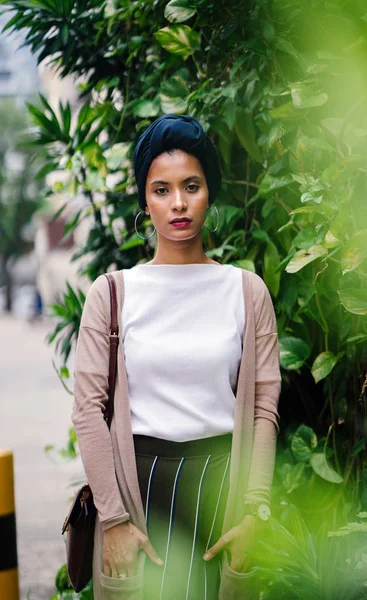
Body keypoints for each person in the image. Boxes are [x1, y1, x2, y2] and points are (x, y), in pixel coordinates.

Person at [72, 114, 281, 600]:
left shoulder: (247, 292)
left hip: (219, 495)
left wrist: (255, 513)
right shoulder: (112, 294)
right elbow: (87, 411)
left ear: (210, 192)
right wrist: (115, 518)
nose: (179, 203)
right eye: (161, 190)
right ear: (145, 201)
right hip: (138, 492)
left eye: (191, 185)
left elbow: (264, 408)